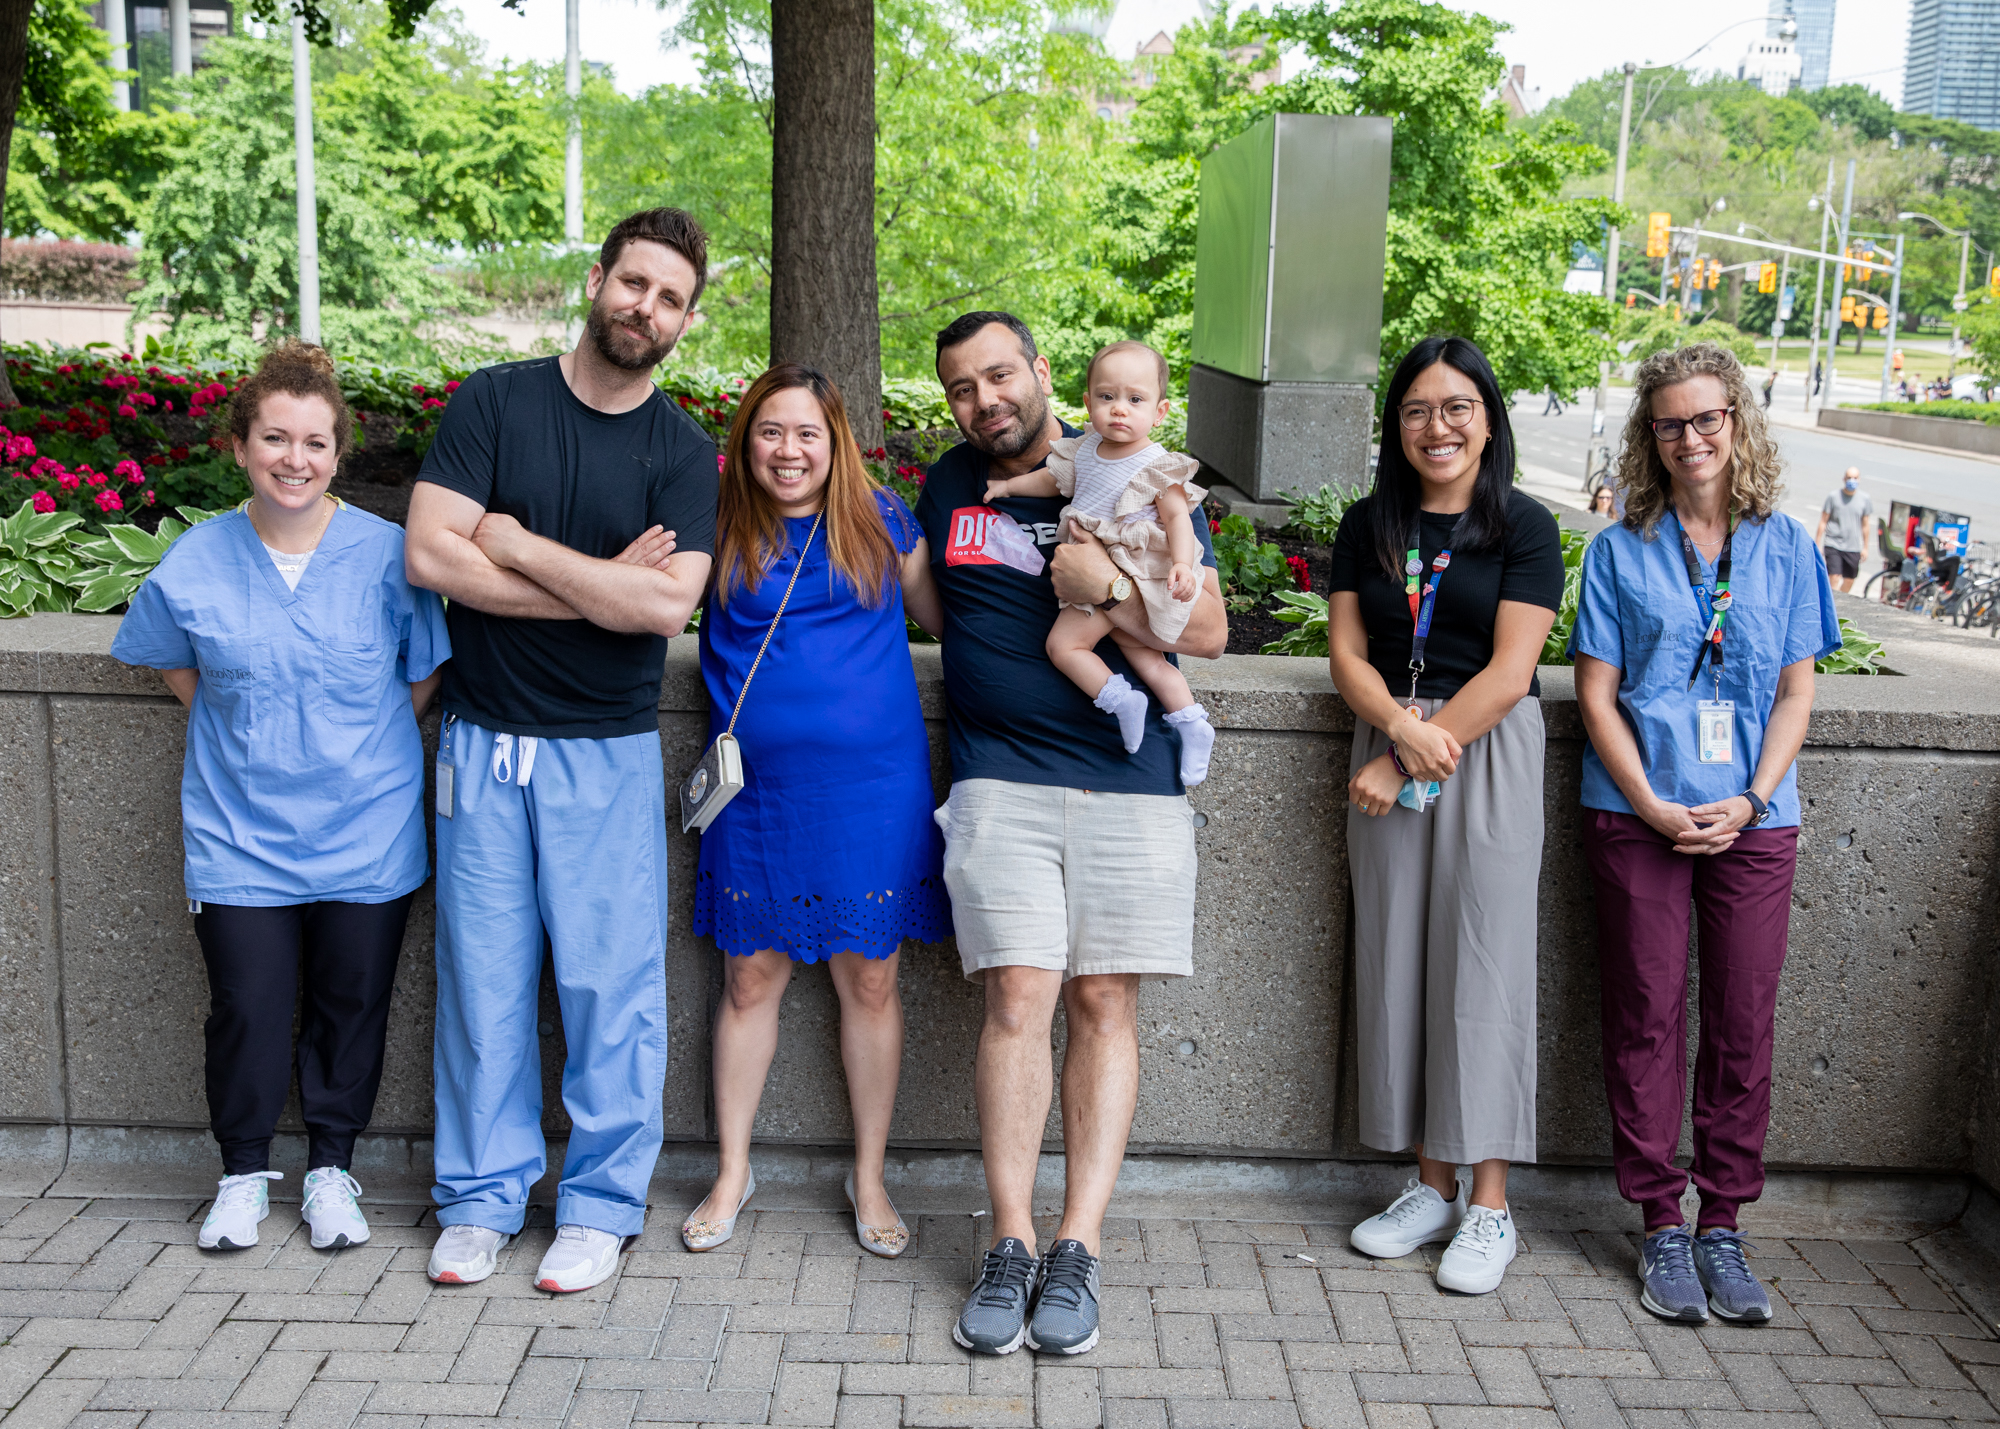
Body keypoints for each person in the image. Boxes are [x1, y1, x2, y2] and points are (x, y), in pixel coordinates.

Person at [404, 208, 719, 1293]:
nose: (646, 308)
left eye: (670, 298)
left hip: (605, 752)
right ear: (596, 281)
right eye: (634, 283)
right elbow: (430, 554)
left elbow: (663, 610)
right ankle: (482, 1199)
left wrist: (522, 544)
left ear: (685, 319)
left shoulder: (682, 455)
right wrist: (599, 587)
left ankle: (597, 1205)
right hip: (480, 744)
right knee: (481, 984)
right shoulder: (493, 401)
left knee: (608, 988)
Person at [918, 312, 1226, 1357]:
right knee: (1016, 994)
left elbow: (1214, 630)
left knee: (1103, 1000)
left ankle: (1076, 1246)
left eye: (998, 374)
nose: (983, 398)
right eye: (961, 387)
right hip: (998, 782)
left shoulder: (1126, 466)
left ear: (1042, 373)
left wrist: (1115, 595)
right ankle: (1008, 1242)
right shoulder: (947, 485)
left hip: (1129, 789)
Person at [111, 342, 449, 1253]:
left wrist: (345, 736)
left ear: (339, 453)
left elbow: (418, 679)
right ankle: (242, 1173)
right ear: (240, 446)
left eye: (314, 441)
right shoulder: (197, 559)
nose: (293, 458)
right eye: (274, 438)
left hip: (367, 829)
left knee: (353, 1002)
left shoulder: (388, 557)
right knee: (247, 1005)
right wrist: (251, 726)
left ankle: (332, 1169)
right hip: (238, 835)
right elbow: (173, 660)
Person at [1570, 341, 1839, 1327]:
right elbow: (1593, 693)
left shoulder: (1788, 544)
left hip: (1752, 818)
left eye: (1706, 418)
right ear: (1651, 434)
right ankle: (1657, 1223)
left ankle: (1720, 1219)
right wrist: (1644, 799)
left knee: (1740, 1018)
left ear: (1737, 423)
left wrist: (1752, 795)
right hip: (1635, 813)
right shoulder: (1618, 546)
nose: (1690, 437)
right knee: (1644, 1011)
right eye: (1671, 422)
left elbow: (1793, 689)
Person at [679, 363, 950, 1258]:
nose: (788, 450)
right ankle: (732, 1169)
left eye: (806, 434)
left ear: (835, 442)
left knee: (868, 975)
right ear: (745, 440)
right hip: (756, 796)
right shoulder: (718, 527)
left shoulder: (882, 522)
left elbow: (945, 621)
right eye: (770, 431)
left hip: (874, 791)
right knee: (750, 977)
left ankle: (868, 1172)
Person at [1327, 336, 1564, 1296]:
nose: (1439, 426)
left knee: (1485, 965)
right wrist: (1389, 729)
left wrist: (1411, 749)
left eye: (1458, 406)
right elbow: (1347, 652)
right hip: (1387, 747)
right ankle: (1427, 1186)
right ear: (1397, 424)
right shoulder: (1366, 523)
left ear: (1489, 418)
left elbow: (1513, 670)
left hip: (1485, 750)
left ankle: (1491, 1206)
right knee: (1399, 962)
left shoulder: (1526, 526)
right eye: (1419, 409)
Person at [980, 340, 1216, 785]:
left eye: (1135, 400)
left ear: (1160, 412)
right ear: (1088, 403)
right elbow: (1051, 481)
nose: (1120, 410)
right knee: (1148, 658)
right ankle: (1191, 722)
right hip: (1104, 563)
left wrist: (1184, 564)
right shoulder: (1084, 450)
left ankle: (1121, 700)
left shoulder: (1158, 465)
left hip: (1121, 563)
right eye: (1107, 397)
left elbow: (1178, 519)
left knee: (1064, 647)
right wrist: (1009, 489)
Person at [1814, 466, 1874, 592]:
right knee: (1834, 577)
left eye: (1855, 478)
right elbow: (1823, 521)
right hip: (1833, 543)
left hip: (1853, 546)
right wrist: (1817, 543)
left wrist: (1865, 547)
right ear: (1844, 479)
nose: (1852, 480)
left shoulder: (1864, 499)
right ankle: (1834, 606)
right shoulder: (1833, 497)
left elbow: (1865, 525)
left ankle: (1841, 600)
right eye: (1849, 478)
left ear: (1859, 479)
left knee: (1849, 579)